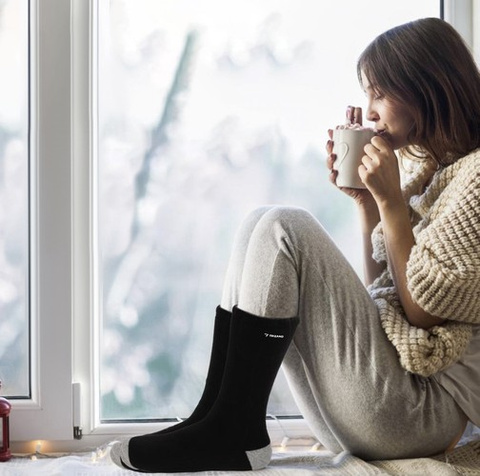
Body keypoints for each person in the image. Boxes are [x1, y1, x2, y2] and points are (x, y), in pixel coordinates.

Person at [111, 17, 480, 473]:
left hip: (422, 414)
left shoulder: (476, 179)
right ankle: (216, 415)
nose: (369, 112)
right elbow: (389, 293)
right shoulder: (436, 177)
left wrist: (390, 201)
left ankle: (232, 429)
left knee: (288, 225)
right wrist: (368, 203)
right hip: (389, 412)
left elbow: (424, 311)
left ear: (428, 87)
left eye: (380, 94)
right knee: (256, 224)